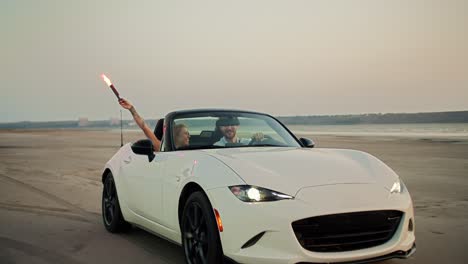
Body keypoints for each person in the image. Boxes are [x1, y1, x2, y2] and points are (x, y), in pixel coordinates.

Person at [118, 98, 190, 151]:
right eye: (185, 133)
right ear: (176, 136)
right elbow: (143, 126)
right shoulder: (162, 148)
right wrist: (131, 109)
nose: (189, 136)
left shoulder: (193, 150)